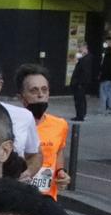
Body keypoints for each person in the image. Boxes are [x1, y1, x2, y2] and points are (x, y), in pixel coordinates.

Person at [18, 68, 72, 200]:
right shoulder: (13, 125)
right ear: (21, 97)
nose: (40, 95)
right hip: (20, 199)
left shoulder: (60, 125)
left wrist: (60, 172)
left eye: (44, 90)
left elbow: (58, 151)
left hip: (48, 199)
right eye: (34, 90)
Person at [70, 42, 94, 122]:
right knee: (81, 99)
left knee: (79, 99)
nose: (79, 49)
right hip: (80, 82)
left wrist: (80, 83)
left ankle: (80, 115)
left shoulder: (86, 59)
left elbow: (85, 72)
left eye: (80, 47)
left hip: (80, 83)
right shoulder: (85, 58)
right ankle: (81, 114)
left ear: (84, 47)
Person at [97, 40, 111, 115]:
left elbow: (102, 69)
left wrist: (100, 77)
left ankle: (103, 111)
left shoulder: (105, 60)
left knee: (103, 95)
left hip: (105, 79)